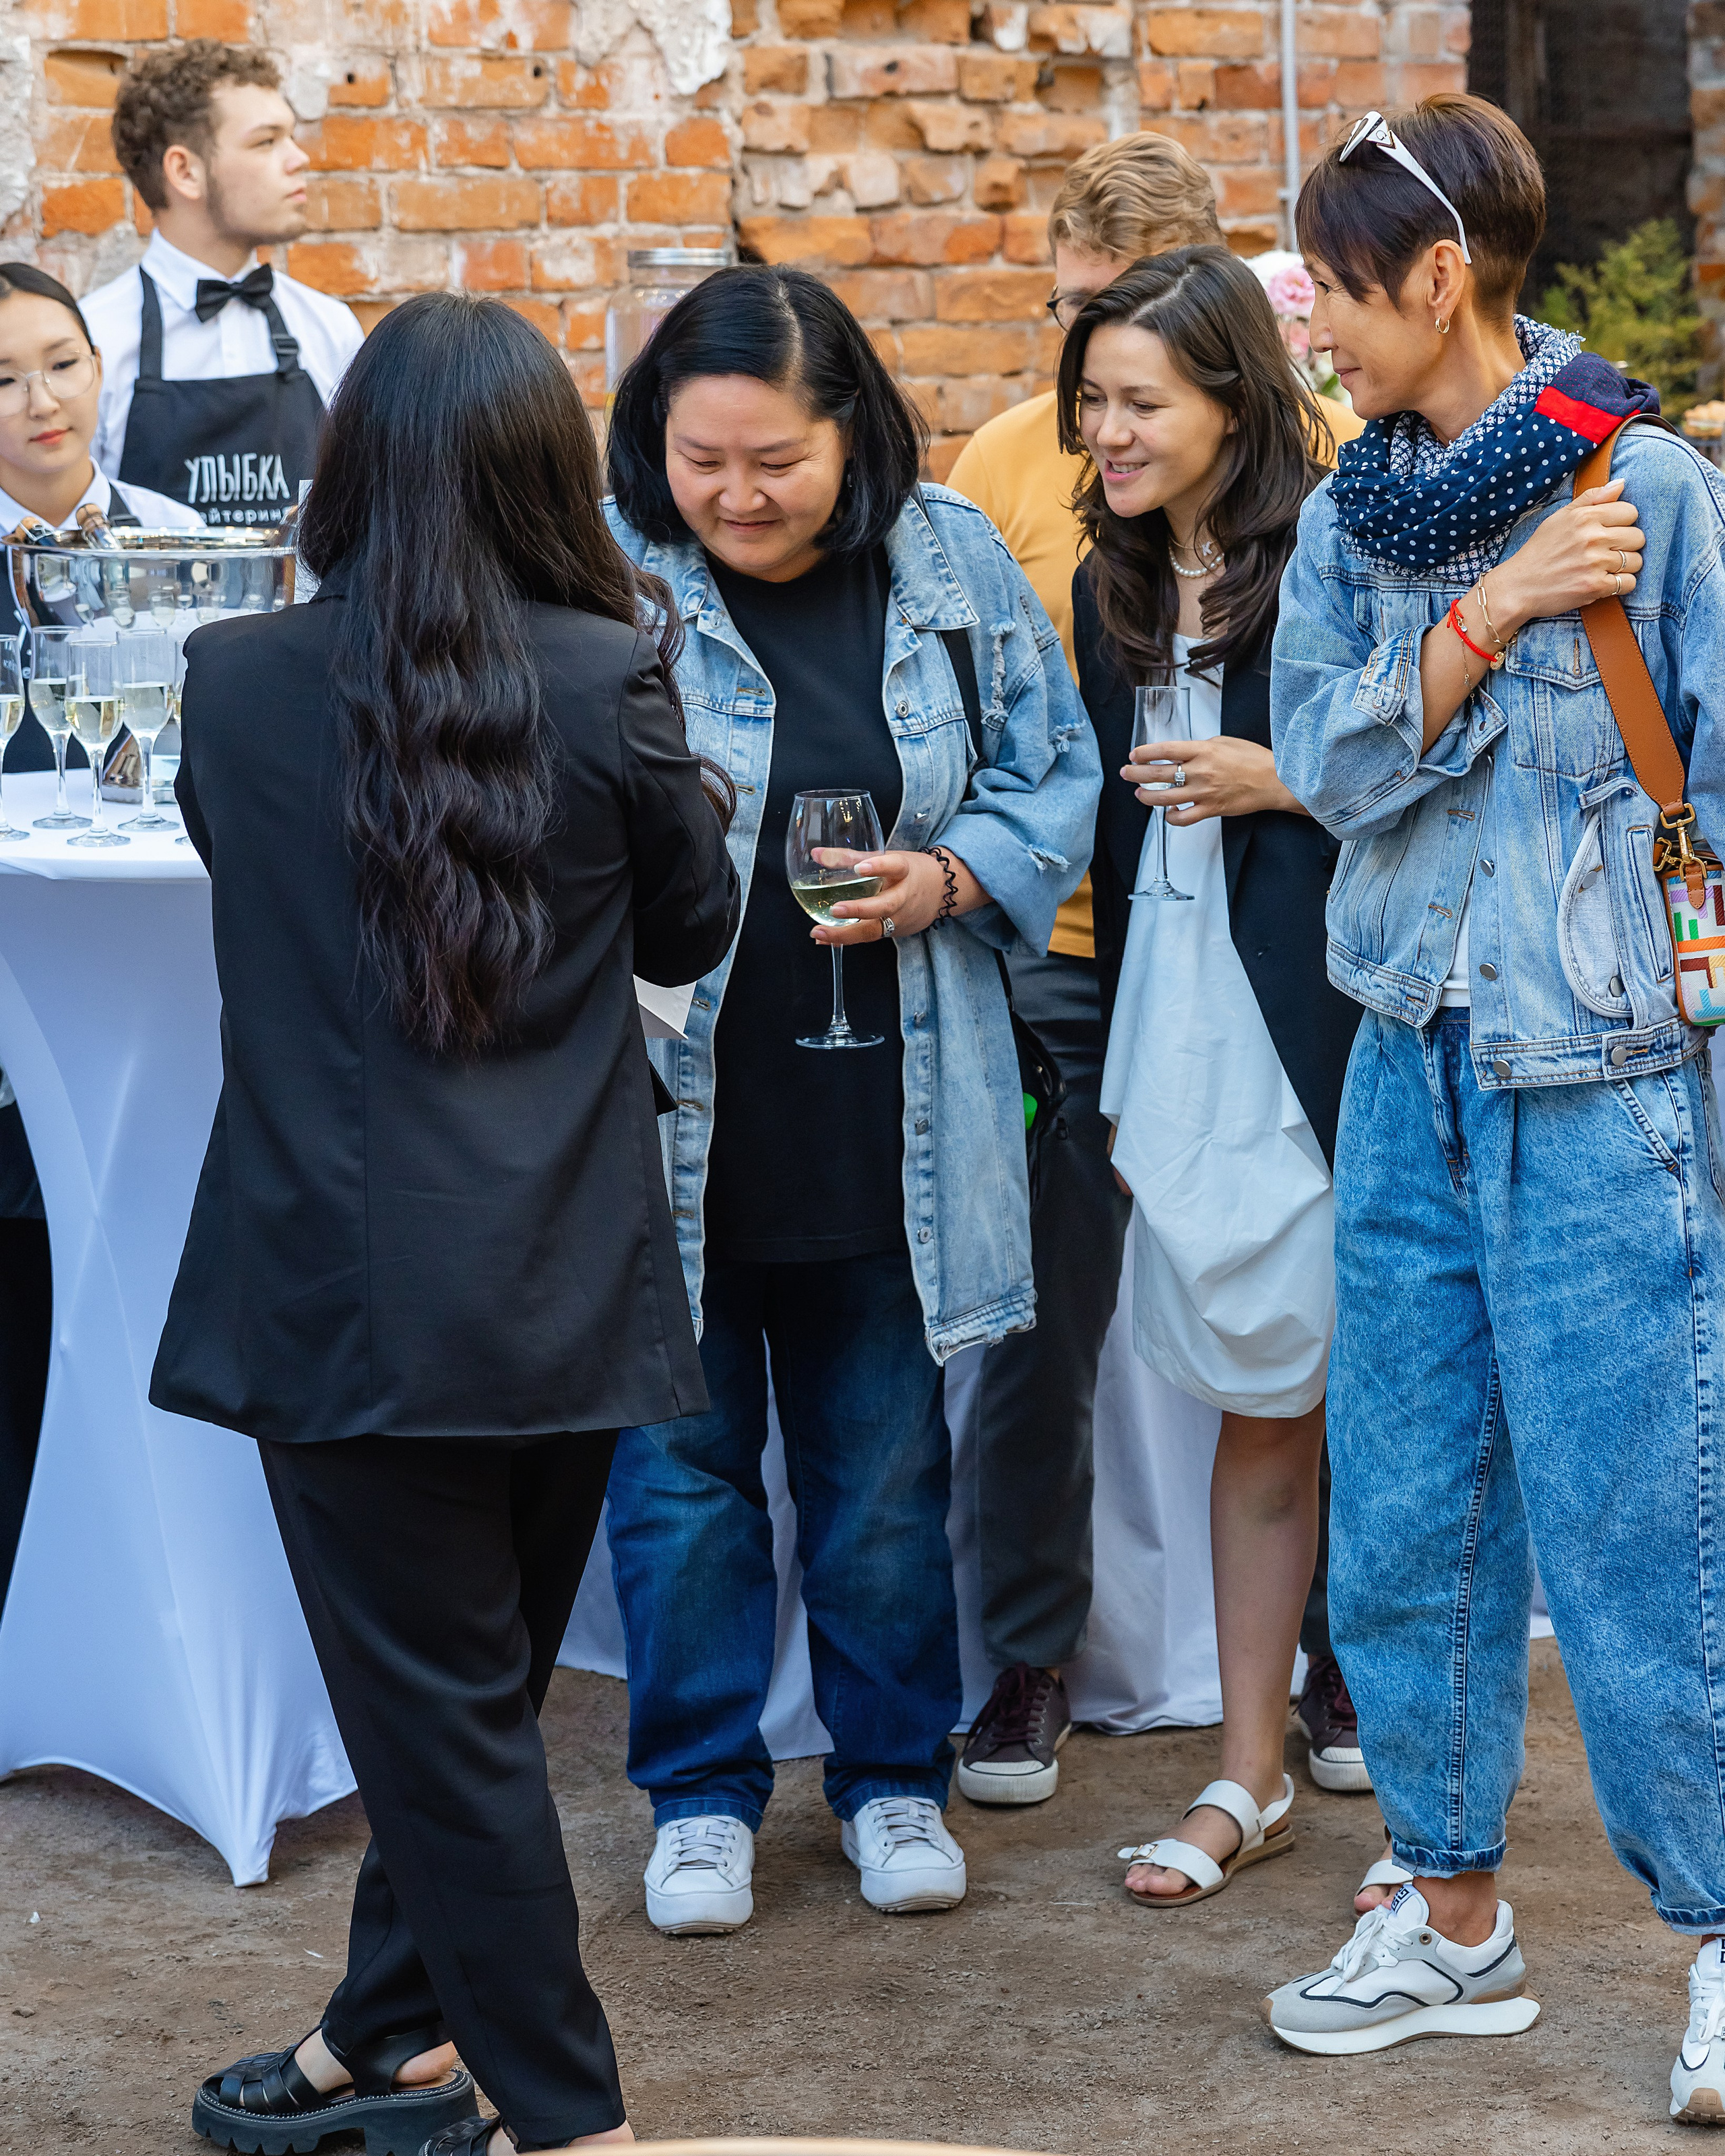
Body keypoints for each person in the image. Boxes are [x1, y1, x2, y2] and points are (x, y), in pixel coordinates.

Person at [151, 293, 739, 2156]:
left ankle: (568, 2123)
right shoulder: (605, 675)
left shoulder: (235, 681)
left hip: (337, 1288)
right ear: (544, 471)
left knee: (451, 1717)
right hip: (560, 1280)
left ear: (352, 467)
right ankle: (386, 2036)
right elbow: (689, 932)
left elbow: (256, 883)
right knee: (464, 1700)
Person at [1263, 96, 1725, 2121]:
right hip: (1404, 1059)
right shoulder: (1348, 517)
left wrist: (1555, 582)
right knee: (1407, 1500)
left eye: (1335, 298)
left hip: (1602, 1067)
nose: (1314, 339)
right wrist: (1489, 604)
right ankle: (1450, 1919)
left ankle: (1718, 1951)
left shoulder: (1658, 489)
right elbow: (1321, 769)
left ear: (1435, 277)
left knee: (1646, 1529)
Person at [600, 265, 1099, 1934]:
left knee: (883, 1480)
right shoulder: (613, 581)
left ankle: (891, 1781)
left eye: (775, 462)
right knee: (677, 1489)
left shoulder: (948, 562)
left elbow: (1059, 776)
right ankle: (696, 1797)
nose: (735, 496)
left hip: (898, 1117)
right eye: (701, 459)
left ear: (852, 438)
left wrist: (955, 874)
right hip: (667, 1122)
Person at [944, 129, 1368, 1807]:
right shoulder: (1000, 466)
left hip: (1281, 957)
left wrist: (1287, 778)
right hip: (1076, 951)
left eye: (1134, 366)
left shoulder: (1338, 491)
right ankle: (1032, 1655)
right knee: (1040, 1319)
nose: (1097, 428)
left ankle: (1343, 1668)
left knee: (1328, 1315)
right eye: (1078, 353)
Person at [1047, 245, 1362, 1908]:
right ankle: (1247, 1768)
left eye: (1139, 401)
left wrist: (1279, 775)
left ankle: (1427, 1801)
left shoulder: (1340, 554)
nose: (1104, 429)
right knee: (1259, 1406)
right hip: (1171, 1020)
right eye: (1090, 398)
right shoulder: (1105, 585)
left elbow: (1448, 770)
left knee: (1384, 1406)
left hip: (1327, 1029)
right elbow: (1104, 831)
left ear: (1236, 402)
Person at [0, 261, 201, 1608]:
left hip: (165, 971)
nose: (39, 402)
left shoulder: (183, 538)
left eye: (60, 362)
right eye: (2, 380)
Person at [82, 41, 362, 528]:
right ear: (185, 171)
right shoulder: (94, 339)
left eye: (291, 137)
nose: (299, 159)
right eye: (266, 141)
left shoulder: (329, 327)